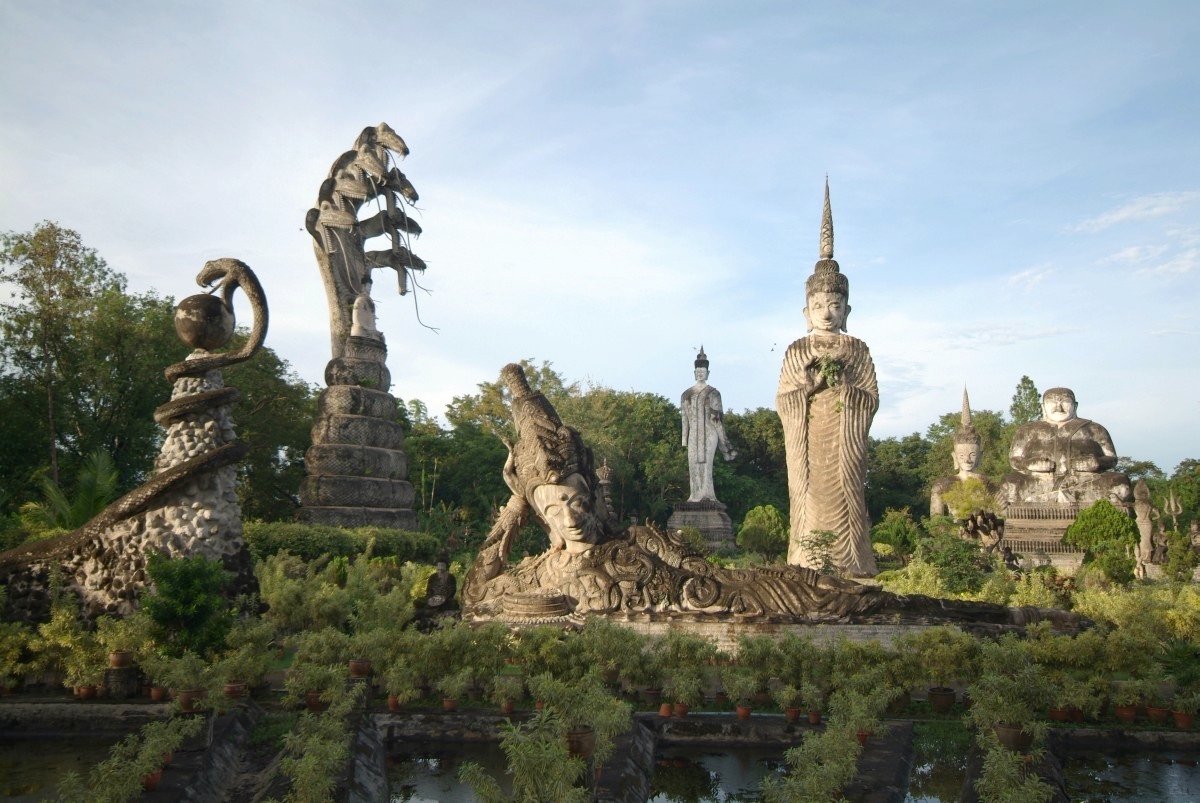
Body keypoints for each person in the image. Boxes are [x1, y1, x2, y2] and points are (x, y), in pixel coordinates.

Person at [776, 182, 878, 576]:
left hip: (843, 443)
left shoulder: (857, 350)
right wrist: (808, 388)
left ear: (846, 309)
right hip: (807, 445)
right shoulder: (796, 350)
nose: (826, 312)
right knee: (805, 496)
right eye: (819, 305)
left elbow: (869, 397)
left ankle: (855, 564)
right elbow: (784, 400)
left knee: (850, 493)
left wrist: (844, 389)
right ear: (806, 310)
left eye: (834, 305)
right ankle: (804, 560)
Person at [1000, 387, 1130, 509]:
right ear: (1043, 407)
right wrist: (1028, 464)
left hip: (1085, 481)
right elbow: (1014, 459)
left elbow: (1112, 459)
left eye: (1065, 401)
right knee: (1010, 483)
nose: (1059, 407)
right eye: (1052, 402)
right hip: (1039, 481)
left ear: (1075, 406)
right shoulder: (1028, 430)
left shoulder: (1094, 429)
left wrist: (1097, 462)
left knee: (1120, 482)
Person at [680, 348, 737, 502]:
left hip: (709, 433)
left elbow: (717, 417)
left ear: (708, 373)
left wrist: (723, 439)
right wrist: (684, 439)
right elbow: (684, 418)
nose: (700, 374)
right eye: (698, 371)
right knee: (693, 465)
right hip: (693, 434)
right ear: (694, 372)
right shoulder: (686, 394)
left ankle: (707, 495)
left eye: (703, 371)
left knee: (706, 465)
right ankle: (694, 495)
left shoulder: (713, 393)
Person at [930, 389, 991, 518]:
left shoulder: (987, 484)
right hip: (954, 534)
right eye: (962, 456)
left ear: (981, 456)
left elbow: (996, 516)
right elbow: (936, 522)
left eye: (972, 455)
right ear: (955, 457)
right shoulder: (942, 486)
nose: (967, 460)